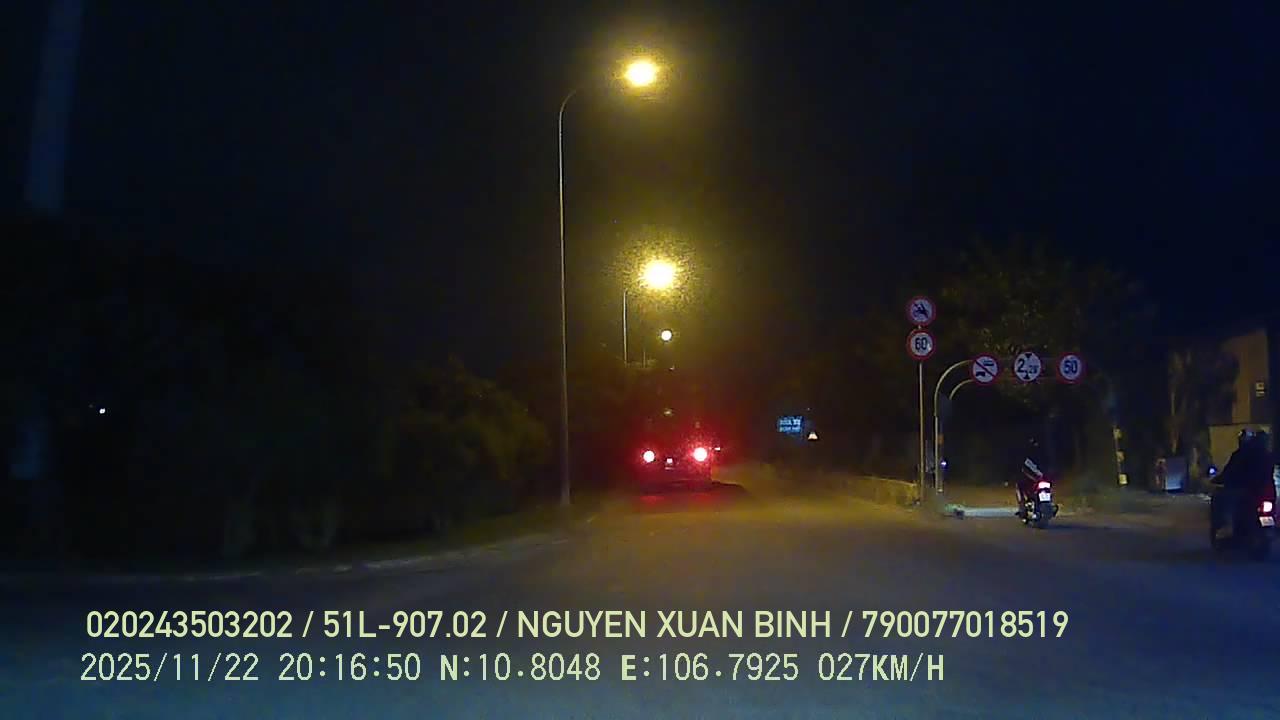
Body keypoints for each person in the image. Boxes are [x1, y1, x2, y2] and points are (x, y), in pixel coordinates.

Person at [1211, 429, 1276, 536]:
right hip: (1264, 490)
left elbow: (1230, 471)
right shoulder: (1268, 455)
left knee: (1223, 499)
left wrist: (1219, 479)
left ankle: (1227, 525)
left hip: (1244, 489)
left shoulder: (1241, 454)